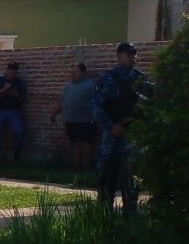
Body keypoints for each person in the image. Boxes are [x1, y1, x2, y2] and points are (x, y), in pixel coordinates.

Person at [91, 43, 146, 212]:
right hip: (112, 137)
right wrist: (110, 126)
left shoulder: (141, 79)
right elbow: (96, 107)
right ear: (119, 56)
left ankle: (130, 217)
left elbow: (147, 106)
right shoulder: (108, 79)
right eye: (129, 54)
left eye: (134, 54)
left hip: (132, 135)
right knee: (107, 179)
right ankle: (104, 216)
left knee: (131, 180)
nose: (132, 57)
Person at [50, 62, 97, 170]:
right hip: (70, 120)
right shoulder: (68, 86)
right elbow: (61, 101)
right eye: (71, 72)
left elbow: (98, 101)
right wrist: (54, 113)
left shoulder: (91, 85)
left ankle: (86, 169)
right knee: (74, 144)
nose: (73, 74)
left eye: (76, 72)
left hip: (86, 121)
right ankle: (76, 168)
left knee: (86, 144)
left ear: (83, 72)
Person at [0, 61, 27, 160]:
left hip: (14, 111)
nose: (12, 74)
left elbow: (23, 98)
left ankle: (16, 155)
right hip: (0, 110)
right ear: (7, 70)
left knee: (19, 131)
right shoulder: (0, 80)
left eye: (14, 72)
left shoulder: (19, 82)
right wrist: (4, 89)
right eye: (10, 72)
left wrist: (15, 94)